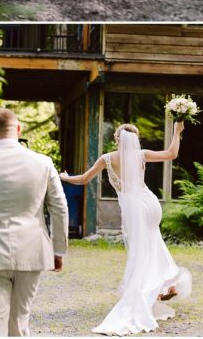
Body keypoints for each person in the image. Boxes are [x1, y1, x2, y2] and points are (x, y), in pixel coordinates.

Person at [60, 122, 191, 336]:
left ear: (116, 139)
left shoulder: (107, 159)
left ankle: (148, 290)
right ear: (136, 139)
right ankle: (161, 287)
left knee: (140, 252)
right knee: (153, 244)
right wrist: (177, 131)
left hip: (134, 209)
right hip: (151, 205)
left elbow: (84, 179)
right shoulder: (141, 155)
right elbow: (171, 153)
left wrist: (65, 177)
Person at [0, 107, 68, 337]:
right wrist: (58, 250)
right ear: (18, 129)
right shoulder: (43, 163)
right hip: (32, 252)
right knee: (19, 324)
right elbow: (59, 207)